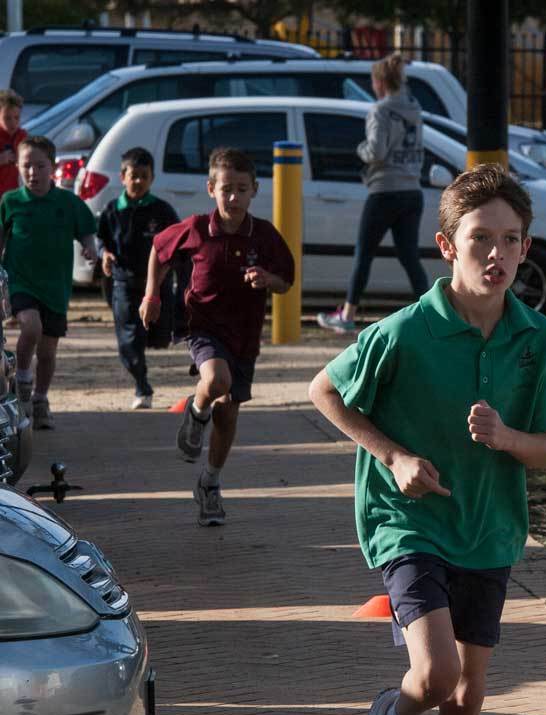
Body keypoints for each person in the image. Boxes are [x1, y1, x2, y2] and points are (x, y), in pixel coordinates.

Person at [309, 164, 546, 715]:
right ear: (445, 245)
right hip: (409, 520)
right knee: (436, 675)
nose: (497, 254)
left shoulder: (535, 337)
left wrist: (506, 437)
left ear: (526, 248)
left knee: (466, 694)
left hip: (488, 527)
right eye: (480, 238)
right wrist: (394, 456)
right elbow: (325, 389)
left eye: (511, 240)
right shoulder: (407, 330)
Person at [141, 147, 294, 526]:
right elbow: (159, 250)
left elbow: (286, 281)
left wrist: (267, 279)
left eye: (241, 189)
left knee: (228, 413)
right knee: (217, 381)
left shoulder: (265, 236)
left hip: (245, 336)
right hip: (203, 326)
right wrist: (151, 295)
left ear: (254, 190)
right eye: (226, 189)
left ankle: (209, 483)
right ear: (211, 189)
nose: (233, 197)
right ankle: (196, 412)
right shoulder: (196, 228)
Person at [316, 52, 428, 335]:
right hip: (412, 189)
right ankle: (432, 311)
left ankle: (348, 314)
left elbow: (376, 151)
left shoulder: (380, 110)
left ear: (380, 82)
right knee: (409, 257)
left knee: (364, 254)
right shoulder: (414, 108)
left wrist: (360, 150)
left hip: (384, 190)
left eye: (373, 81)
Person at [0, 135, 96, 430]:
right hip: (21, 281)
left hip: (55, 287)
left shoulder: (68, 202)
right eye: (26, 166)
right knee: (31, 327)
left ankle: (41, 400)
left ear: (52, 167)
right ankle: (23, 380)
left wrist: (90, 247)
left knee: (48, 352)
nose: (33, 172)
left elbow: (86, 230)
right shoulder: (10, 201)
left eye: (40, 166)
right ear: (18, 167)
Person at [97, 147, 180, 410]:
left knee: (160, 336)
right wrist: (104, 254)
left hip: (157, 286)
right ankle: (142, 386)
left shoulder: (161, 210)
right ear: (122, 177)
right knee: (129, 340)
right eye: (133, 176)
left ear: (152, 178)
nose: (138, 181)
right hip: (124, 284)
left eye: (144, 176)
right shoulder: (112, 210)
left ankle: (147, 353)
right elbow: (100, 239)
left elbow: (177, 242)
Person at [0, 89, 26, 197]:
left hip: (14, 192)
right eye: (7, 118)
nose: (13, 122)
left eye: (16, 118)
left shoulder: (22, 136)